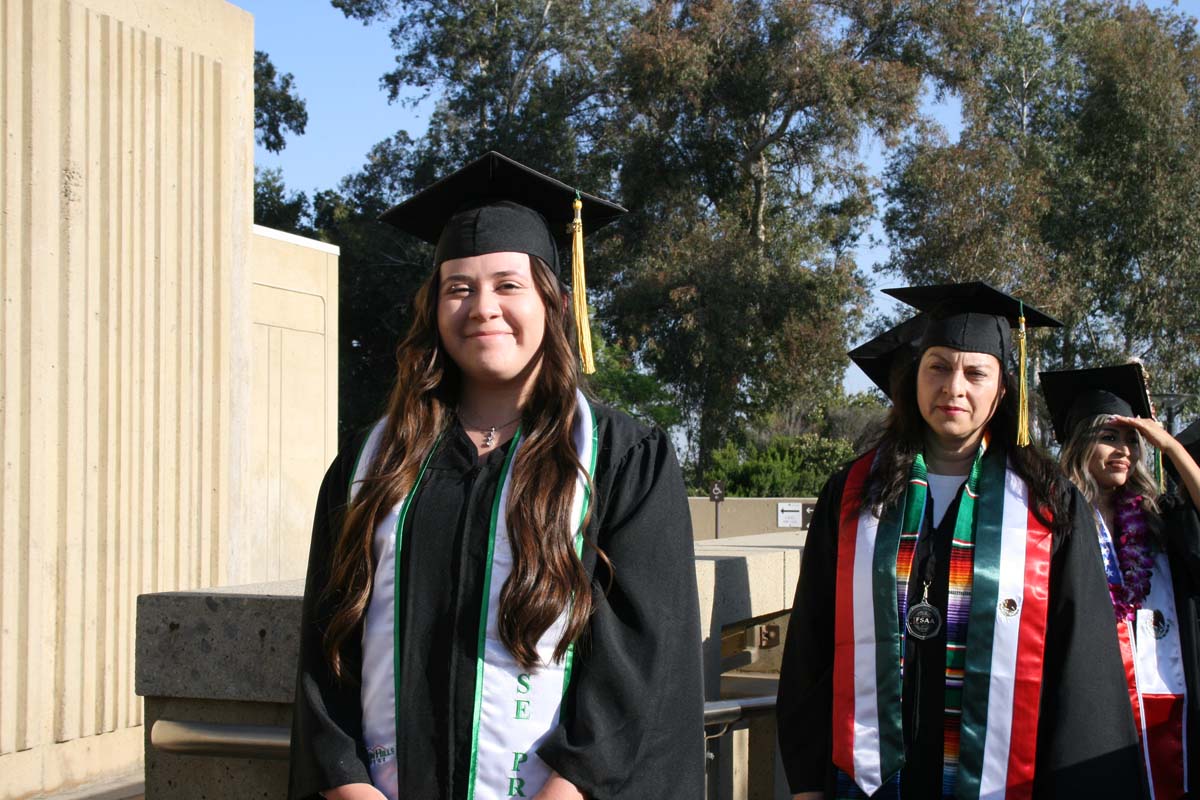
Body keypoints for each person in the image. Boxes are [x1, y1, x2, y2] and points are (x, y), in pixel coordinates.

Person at [288, 152, 705, 800]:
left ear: (553, 301)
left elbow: (643, 668)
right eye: (459, 287)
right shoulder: (372, 465)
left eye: (508, 284)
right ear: (434, 306)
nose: (483, 307)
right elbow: (325, 645)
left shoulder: (622, 461)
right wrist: (348, 783)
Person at [777, 283, 1146, 800]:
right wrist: (807, 780)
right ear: (915, 378)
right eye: (938, 367)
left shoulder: (1047, 502)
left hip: (1005, 776)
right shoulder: (854, 491)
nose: (954, 387)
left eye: (975, 373)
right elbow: (812, 641)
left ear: (1001, 391)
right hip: (866, 778)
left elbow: (1080, 661)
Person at [1042, 362, 1200, 799]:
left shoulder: (1159, 518)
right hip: (1091, 706)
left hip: (1171, 706)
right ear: (1079, 443)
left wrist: (1169, 446)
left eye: (1132, 441)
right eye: (1109, 437)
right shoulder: (1052, 520)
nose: (1124, 451)